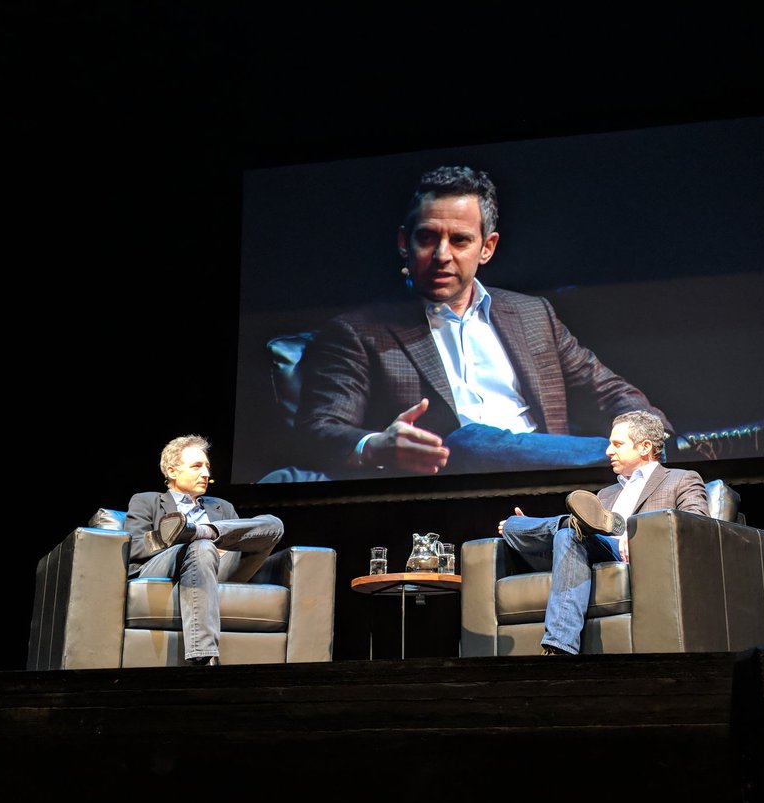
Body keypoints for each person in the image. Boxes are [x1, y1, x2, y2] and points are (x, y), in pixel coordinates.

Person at [292, 164, 677, 479]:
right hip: (453, 483)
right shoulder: (358, 332)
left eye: (459, 240)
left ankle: (640, 457)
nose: (442, 255)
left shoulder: (532, 314)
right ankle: (621, 459)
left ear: (487, 247)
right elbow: (318, 431)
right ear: (404, 242)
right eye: (427, 238)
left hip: (552, 483)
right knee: (469, 441)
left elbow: (608, 391)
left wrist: (652, 438)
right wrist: (374, 445)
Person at [497, 410, 709, 656]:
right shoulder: (606, 495)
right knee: (567, 535)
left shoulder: (682, 480)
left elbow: (697, 526)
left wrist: (639, 537)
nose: (608, 451)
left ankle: (550, 527)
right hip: (600, 552)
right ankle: (565, 526)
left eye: (617, 444)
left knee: (559, 530)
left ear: (645, 447)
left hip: (642, 557)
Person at [126, 434, 285, 666]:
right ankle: (202, 657)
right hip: (165, 567)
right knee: (201, 546)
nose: (206, 473)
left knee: (273, 524)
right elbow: (135, 547)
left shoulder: (222, 507)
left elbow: (242, 543)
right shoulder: (146, 501)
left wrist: (209, 540)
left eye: (207, 467)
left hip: (219, 567)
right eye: (197, 466)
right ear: (172, 471)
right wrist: (181, 541)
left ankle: (203, 531)